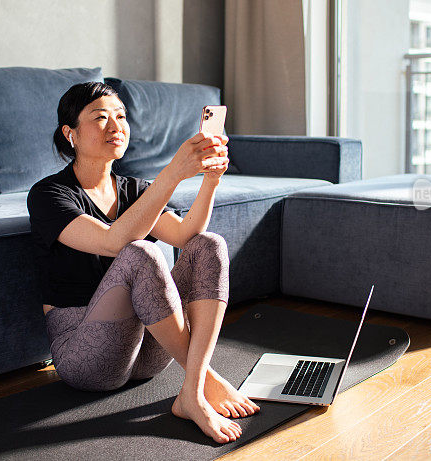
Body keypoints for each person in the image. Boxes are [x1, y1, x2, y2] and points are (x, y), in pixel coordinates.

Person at [26, 82, 259, 444]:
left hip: (148, 354)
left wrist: (210, 180)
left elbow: (185, 236)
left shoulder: (134, 188)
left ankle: (192, 391)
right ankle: (206, 382)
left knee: (209, 244)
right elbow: (113, 241)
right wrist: (173, 173)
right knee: (141, 252)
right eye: (100, 118)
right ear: (69, 133)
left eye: (121, 116)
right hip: (86, 356)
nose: (115, 126)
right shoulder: (48, 195)